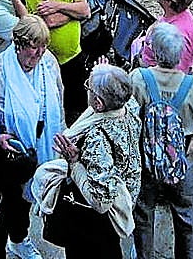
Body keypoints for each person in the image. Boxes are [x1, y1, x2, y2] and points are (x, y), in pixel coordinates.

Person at [0, 15, 64, 259]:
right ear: (18, 44)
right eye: (34, 46)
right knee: (3, 209)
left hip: (41, 148)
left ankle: (19, 240)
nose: (40, 53)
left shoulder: (48, 62)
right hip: (8, 156)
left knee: (25, 202)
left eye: (44, 46)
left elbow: (59, 97)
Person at [131, 23, 193, 259]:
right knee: (186, 218)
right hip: (184, 165)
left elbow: (128, 119)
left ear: (155, 52)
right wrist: (179, 151)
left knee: (143, 214)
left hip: (146, 162)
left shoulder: (138, 79)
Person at [50, 64, 142, 259]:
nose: (87, 90)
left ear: (98, 103)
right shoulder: (129, 108)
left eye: (89, 87)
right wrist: (106, 75)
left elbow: (100, 202)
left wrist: (74, 163)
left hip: (94, 224)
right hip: (126, 195)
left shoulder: (96, 138)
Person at [24, 0, 91, 124]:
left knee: (78, 104)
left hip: (75, 55)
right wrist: (74, 13)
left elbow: (86, 10)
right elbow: (50, 21)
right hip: (50, 60)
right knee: (54, 106)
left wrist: (57, 5)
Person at [138, 0, 193, 73]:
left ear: (169, 2)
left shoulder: (178, 34)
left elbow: (177, 71)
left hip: (159, 74)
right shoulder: (178, 13)